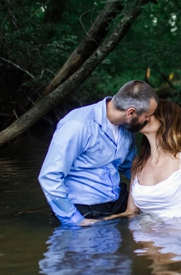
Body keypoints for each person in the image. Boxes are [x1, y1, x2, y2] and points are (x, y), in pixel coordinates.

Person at [85, 100, 181, 235]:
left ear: (167, 121)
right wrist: (100, 222)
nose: (145, 116)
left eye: (151, 114)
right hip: (145, 241)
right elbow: (132, 212)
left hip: (180, 239)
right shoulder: (138, 164)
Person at [39, 80, 156, 227]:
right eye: (147, 115)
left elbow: (130, 167)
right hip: (82, 210)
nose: (149, 120)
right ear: (131, 112)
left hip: (115, 202)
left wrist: (158, 185)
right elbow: (49, 176)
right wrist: (75, 220)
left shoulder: (127, 128)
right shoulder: (78, 125)